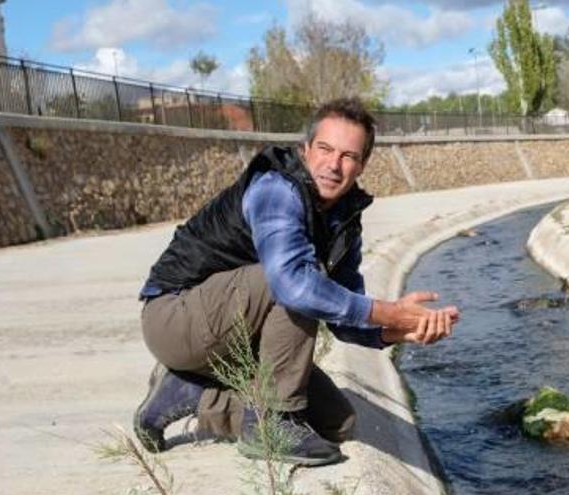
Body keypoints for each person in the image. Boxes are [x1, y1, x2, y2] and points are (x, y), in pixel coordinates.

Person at [133, 97, 460, 466]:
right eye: (325, 149)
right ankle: (270, 422)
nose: (334, 165)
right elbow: (292, 285)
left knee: (339, 423)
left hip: (234, 330)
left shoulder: (343, 219)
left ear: (363, 164)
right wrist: (390, 313)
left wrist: (397, 331)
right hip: (173, 317)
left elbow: (343, 315)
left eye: (348, 156)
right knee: (298, 278)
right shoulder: (276, 189)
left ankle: (192, 393)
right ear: (305, 150)